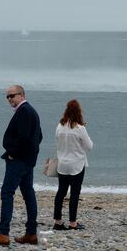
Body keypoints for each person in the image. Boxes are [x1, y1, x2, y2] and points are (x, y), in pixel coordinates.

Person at [0, 85, 43, 247]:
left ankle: (3, 233)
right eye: (7, 97)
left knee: (7, 193)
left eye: (12, 96)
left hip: (19, 161)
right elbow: (39, 136)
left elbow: (24, 137)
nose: (9, 99)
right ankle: (31, 233)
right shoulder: (31, 111)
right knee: (28, 193)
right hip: (28, 161)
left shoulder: (24, 111)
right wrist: (30, 154)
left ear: (22, 95)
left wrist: (13, 153)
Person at [53, 99, 94, 231]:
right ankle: (72, 223)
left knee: (61, 192)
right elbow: (89, 146)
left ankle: (58, 221)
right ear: (79, 112)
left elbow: (57, 140)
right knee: (74, 194)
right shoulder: (80, 128)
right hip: (76, 164)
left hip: (62, 164)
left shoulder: (60, 126)